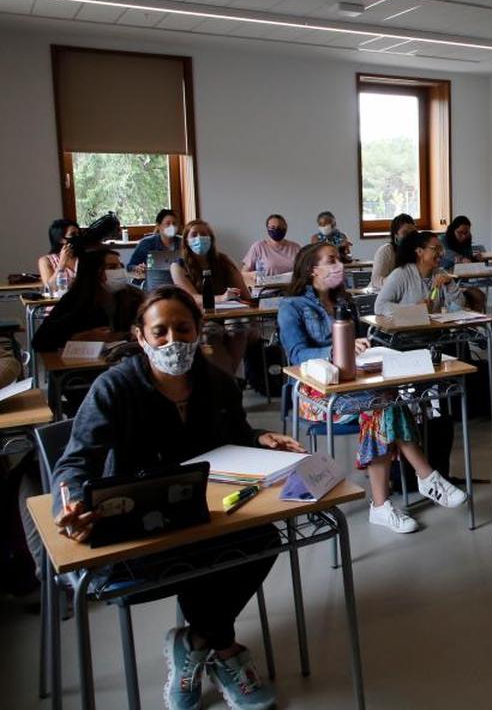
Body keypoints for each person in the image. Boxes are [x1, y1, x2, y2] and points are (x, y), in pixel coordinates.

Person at [51, 286, 304, 710]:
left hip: (202, 512)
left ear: (199, 329)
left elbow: (237, 434)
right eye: (161, 332)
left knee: (263, 540)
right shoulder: (114, 388)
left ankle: (195, 640)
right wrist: (71, 503)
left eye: (183, 329)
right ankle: (223, 649)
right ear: (140, 336)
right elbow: (76, 462)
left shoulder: (218, 383)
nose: (174, 342)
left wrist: (262, 438)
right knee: (202, 563)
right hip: (135, 526)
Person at [280, 243, 466, 533]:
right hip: (314, 393)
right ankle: (424, 477)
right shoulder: (291, 306)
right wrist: (336, 349)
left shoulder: (344, 301)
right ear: (311, 269)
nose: (339, 265)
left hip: (354, 384)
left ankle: (384, 504)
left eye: (339, 259)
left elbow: (356, 347)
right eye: (331, 260)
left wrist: (364, 349)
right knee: (383, 405)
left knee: (384, 402)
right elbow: (296, 355)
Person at [170, 220, 250, 374]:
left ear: (211, 239)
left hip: (229, 314)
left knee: (239, 326)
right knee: (210, 333)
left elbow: (244, 293)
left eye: (204, 234)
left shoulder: (223, 261)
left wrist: (237, 293)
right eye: (194, 235)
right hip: (200, 317)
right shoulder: (178, 266)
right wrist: (221, 298)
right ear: (186, 240)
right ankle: (229, 380)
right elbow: (192, 297)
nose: (200, 238)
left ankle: (229, 379)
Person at [32, 248, 144, 352]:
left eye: (121, 266)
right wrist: (79, 338)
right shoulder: (75, 300)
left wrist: (131, 333)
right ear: (93, 272)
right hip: (84, 367)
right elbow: (40, 341)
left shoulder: (134, 296)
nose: (120, 271)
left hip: (125, 360)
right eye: (112, 267)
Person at [375, 231, 465, 316]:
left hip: (435, 330)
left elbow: (458, 308)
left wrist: (449, 284)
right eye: (436, 249)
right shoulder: (401, 274)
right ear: (419, 251)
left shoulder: (441, 274)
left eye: (441, 249)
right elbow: (380, 306)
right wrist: (414, 310)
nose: (441, 253)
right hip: (407, 331)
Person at [126, 209, 182, 289]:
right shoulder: (146, 243)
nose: (172, 227)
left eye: (174, 224)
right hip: (154, 288)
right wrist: (138, 268)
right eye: (168, 224)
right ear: (159, 226)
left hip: (179, 287)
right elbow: (129, 268)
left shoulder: (183, 243)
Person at [370, 213, 417, 290]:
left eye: (413, 233)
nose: (410, 236)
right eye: (405, 233)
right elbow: (376, 280)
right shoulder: (386, 251)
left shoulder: (419, 251)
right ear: (396, 235)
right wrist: (399, 282)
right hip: (381, 293)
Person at [37, 218, 79, 292]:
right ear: (60, 239)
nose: (77, 237)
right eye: (73, 234)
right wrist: (61, 264)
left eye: (78, 234)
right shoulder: (46, 261)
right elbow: (50, 289)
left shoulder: (84, 258)